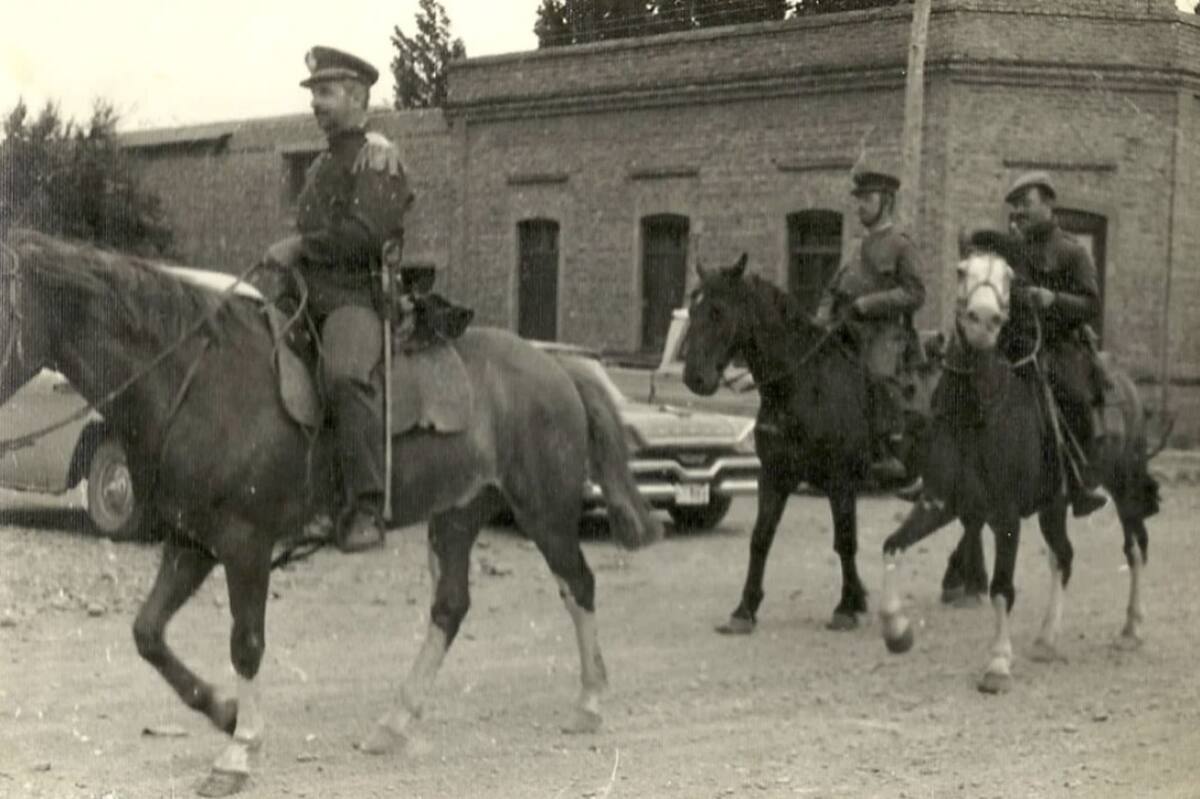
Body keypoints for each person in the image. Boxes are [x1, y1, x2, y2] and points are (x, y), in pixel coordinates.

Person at [259, 46, 414, 552]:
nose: (315, 105)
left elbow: (365, 235)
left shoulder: (378, 158)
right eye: (314, 95)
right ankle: (307, 502)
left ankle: (365, 506)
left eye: (325, 93)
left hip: (353, 299)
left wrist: (300, 246)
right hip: (305, 297)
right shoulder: (326, 161)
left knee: (344, 377)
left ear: (357, 96)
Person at [1003, 171, 1108, 518]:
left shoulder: (1072, 251)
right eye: (1015, 206)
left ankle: (1083, 481)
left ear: (1048, 203)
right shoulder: (1014, 250)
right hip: (1017, 340)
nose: (1020, 211)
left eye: (1026, 203)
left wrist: (1053, 299)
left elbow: (1092, 305)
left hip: (1060, 344)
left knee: (1073, 396)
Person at [814, 169, 926, 493]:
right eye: (858, 199)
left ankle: (891, 451)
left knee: (876, 374)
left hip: (886, 332)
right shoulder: (856, 248)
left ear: (886, 202)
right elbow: (831, 290)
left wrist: (870, 304)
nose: (860, 205)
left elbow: (915, 294)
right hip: (848, 328)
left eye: (868, 198)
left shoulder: (902, 246)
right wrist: (821, 318)